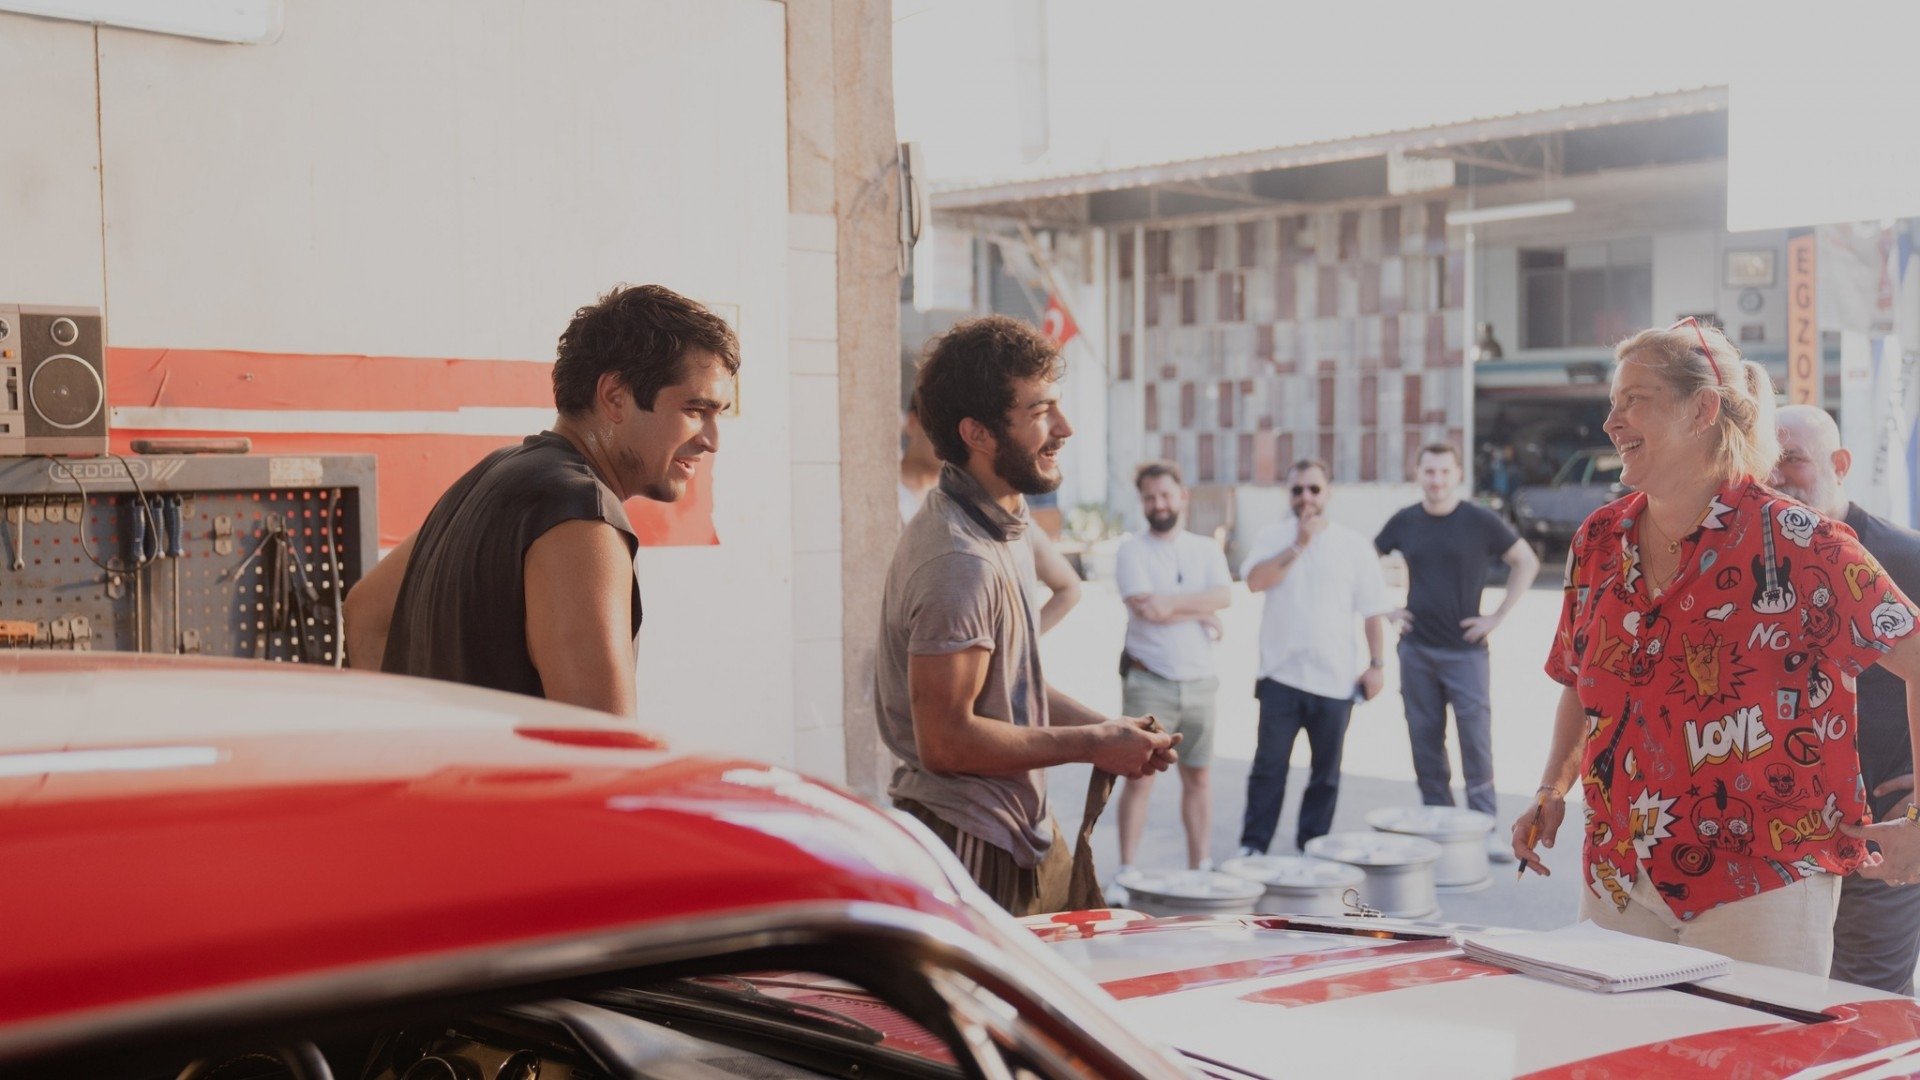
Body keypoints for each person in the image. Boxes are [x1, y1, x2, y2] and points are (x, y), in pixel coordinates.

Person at [1512, 319, 1920, 975]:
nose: (1612, 423)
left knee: (1745, 1042)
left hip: (1763, 882)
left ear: (1702, 409)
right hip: (1619, 871)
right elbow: (1580, 678)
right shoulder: (1598, 541)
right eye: (1613, 403)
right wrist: (1550, 788)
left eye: (1634, 400)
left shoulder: (1800, 542)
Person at [876, 315, 1178, 915]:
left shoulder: (1002, 519)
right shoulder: (960, 559)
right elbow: (946, 742)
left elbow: (1012, 687)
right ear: (978, 433)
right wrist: (1093, 743)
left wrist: (1112, 733)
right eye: (1041, 411)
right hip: (972, 837)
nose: (1065, 427)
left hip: (1017, 825)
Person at [343, 284, 738, 716]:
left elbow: (366, 612)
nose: (712, 440)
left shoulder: (494, 473)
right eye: (695, 410)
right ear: (614, 396)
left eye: (718, 414)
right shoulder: (582, 518)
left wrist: (410, 733)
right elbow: (600, 739)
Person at [1772, 404, 1920, 992]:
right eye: (1766, 462)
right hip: (1784, 830)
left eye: (1792, 459)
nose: (1776, 475)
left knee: (1867, 997)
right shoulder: (1756, 557)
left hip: (1879, 828)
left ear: (1839, 464)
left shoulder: (1903, 555)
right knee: (1784, 997)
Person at [1375, 442, 1541, 858]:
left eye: (1444, 472)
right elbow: (1364, 561)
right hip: (1416, 651)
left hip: (1466, 652)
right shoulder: (1405, 521)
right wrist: (1386, 608)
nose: (1437, 480)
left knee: (1475, 742)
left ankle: (1484, 829)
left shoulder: (1479, 520)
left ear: (1457, 474)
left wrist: (1497, 616)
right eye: (1429, 471)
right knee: (1425, 742)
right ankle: (1440, 829)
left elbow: (1526, 561)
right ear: (1418, 474)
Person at [1234, 459, 1393, 855]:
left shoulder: (1353, 545)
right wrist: (1299, 544)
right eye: (1297, 489)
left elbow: (1372, 611)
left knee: (1326, 775)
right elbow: (1255, 582)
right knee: (1269, 769)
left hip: (1335, 681)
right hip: (1280, 677)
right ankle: (1254, 847)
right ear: (1288, 494)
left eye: (1314, 489)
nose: (1305, 497)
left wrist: (1377, 665)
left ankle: (1313, 848)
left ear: (1328, 492)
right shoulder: (1272, 537)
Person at [1112, 460, 1232, 874]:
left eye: (1165, 495)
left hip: (1200, 684)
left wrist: (1174, 604)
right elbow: (1148, 608)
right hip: (1150, 682)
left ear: (1183, 496)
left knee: (1199, 778)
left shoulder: (1205, 548)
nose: (1158, 504)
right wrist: (1201, 611)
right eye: (1150, 498)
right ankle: (1127, 872)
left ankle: (1200, 869)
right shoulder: (1131, 549)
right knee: (1139, 778)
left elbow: (1224, 596)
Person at [902, 405, 1081, 633]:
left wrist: (1019, 644)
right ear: (912, 423)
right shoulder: (888, 500)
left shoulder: (982, 503)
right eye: (936, 427)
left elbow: (1068, 587)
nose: (946, 438)